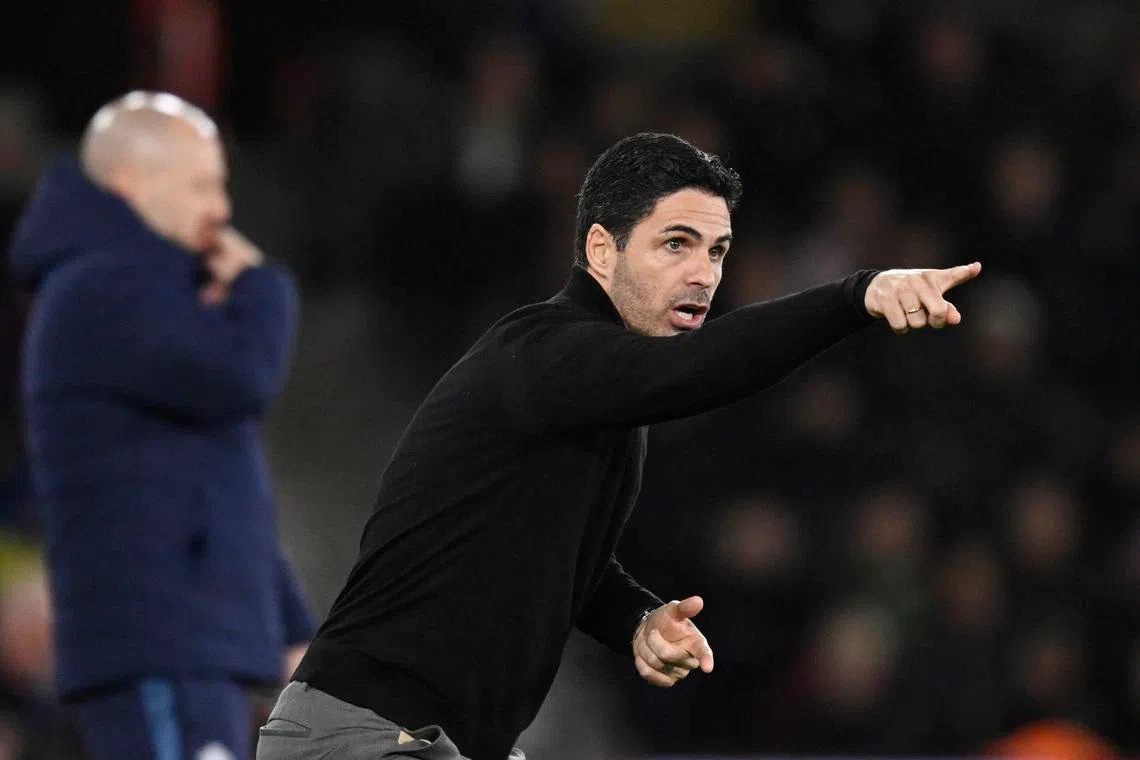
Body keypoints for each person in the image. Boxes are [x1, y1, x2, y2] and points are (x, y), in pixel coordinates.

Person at [257, 132, 981, 760]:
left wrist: (635, 616)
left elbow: (564, 558)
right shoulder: (539, 353)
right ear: (601, 250)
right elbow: (697, 373)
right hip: (367, 734)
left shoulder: (599, 396)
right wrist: (854, 296)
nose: (704, 273)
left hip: (440, 740)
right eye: (676, 244)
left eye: (718, 250)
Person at [6, 91, 316, 760]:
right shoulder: (101, 287)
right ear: (133, 185)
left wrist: (288, 626)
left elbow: (218, 478)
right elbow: (242, 375)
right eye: (203, 186)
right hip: (160, 640)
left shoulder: (152, 298)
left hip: (190, 642)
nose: (221, 211)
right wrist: (264, 288)